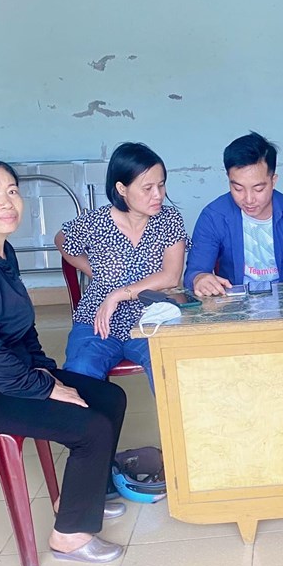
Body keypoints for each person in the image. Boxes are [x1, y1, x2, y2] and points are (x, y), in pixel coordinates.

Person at [0, 157, 128, 564]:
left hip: (4, 376)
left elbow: (19, 327)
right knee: (90, 427)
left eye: (12, 191)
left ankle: (78, 501)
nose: (6, 202)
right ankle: (69, 537)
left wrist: (46, 370)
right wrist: (45, 387)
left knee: (109, 398)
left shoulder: (0, 251)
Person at [56, 142, 187, 391]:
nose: (158, 195)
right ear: (121, 188)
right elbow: (61, 240)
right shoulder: (95, 222)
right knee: (81, 370)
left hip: (153, 316)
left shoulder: (169, 219)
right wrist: (92, 269)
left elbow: (171, 276)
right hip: (98, 318)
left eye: (161, 185)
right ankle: (91, 418)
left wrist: (117, 294)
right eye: (147, 188)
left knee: (172, 373)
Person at [183, 131, 283, 295]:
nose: (249, 199)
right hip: (235, 305)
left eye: (258, 189)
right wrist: (200, 278)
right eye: (238, 188)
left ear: (273, 181)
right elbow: (195, 271)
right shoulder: (213, 216)